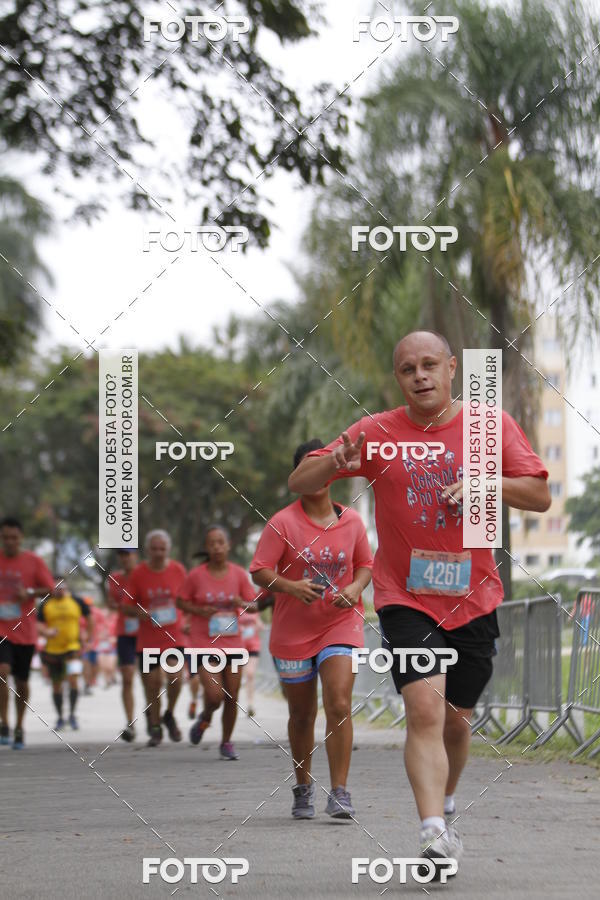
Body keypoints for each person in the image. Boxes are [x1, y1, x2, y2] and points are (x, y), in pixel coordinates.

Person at [288, 332, 550, 872]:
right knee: (424, 710)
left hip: (474, 597)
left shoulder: (487, 426)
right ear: (398, 378)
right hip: (405, 597)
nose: (420, 375)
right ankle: (431, 829)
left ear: (452, 368)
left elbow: (540, 495)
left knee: (457, 721)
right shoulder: (378, 432)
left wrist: (485, 482)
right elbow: (300, 478)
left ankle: (447, 803)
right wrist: (334, 459)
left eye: (430, 365)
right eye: (408, 369)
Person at [251, 439, 373, 820]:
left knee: (338, 702)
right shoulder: (282, 522)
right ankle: (302, 785)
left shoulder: (352, 521)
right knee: (302, 715)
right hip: (293, 633)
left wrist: (354, 588)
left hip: (341, 623)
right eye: (309, 466)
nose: (318, 474)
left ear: (335, 471)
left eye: (325, 465)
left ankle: (340, 792)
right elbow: (260, 570)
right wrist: (291, 587)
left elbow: (365, 564)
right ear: (298, 476)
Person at [178, 525, 256, 760]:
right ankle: (205, 718)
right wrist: (200, 610)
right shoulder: (196, 575)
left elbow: (254, 605)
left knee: (232, 695)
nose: (217, 547)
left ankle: (226, 742)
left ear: (228, 545)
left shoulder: (239, 574)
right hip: (204, 643)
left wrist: (240, 601)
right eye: (212, 543)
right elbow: (181, 602)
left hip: (233, 643)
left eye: (221, 542)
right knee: (214, 696)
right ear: (206, 548)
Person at [123, 530, 186, 747]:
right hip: (148, 640)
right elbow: (126, 606)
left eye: (162, 549)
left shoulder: (178, 570)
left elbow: (186, 599)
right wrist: (139, 612)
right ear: (148, 550)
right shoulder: (139, 574)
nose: (158, 553)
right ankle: (156, 726)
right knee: (153, 684)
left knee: (176, 677)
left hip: (174, 637)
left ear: (168, 549)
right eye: (154, 549)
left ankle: (169, 714)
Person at [0, 517, 55, 749]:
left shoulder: (33, 561)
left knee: (22, 682)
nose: (10, 542)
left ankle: (20, 725)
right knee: (2, 671)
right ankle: (4, 723)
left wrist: (30, 592)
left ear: (21, 538)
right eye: (5, 538)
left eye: (14, 537)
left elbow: (51, 590)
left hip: (25, 631)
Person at [37, 580, 94, 730]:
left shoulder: (76, 601)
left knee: (73, 680)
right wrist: (46, 632)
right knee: (57, 685)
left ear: (66, 588)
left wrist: (88, 637)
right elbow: (39, 624)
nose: (59, 591)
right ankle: (60, 717)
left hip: (72, 648)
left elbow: (89, 618)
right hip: (52, 651)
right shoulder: (46, 604)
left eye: (62, 588)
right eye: (56, 588)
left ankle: (72, 715)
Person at [106, 548, 139, 741]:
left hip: (146, 632)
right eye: (121, 555)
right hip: (124, 632)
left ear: (136, 555)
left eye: (128, 554)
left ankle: (153, 716)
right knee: (127, 677)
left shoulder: (144, 574)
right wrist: (114, 605)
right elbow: (111, 601)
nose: (124, 558)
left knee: (150, 678)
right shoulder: (114, 578)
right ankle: (130, 723)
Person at [239, 608, 264, 718]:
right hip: (240, 647)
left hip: (254, 645)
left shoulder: (254, 609)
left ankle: (250, 705)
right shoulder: (236, 607)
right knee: (241, 675)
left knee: (250, 674)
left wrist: (258, 626)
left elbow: (260, 625)